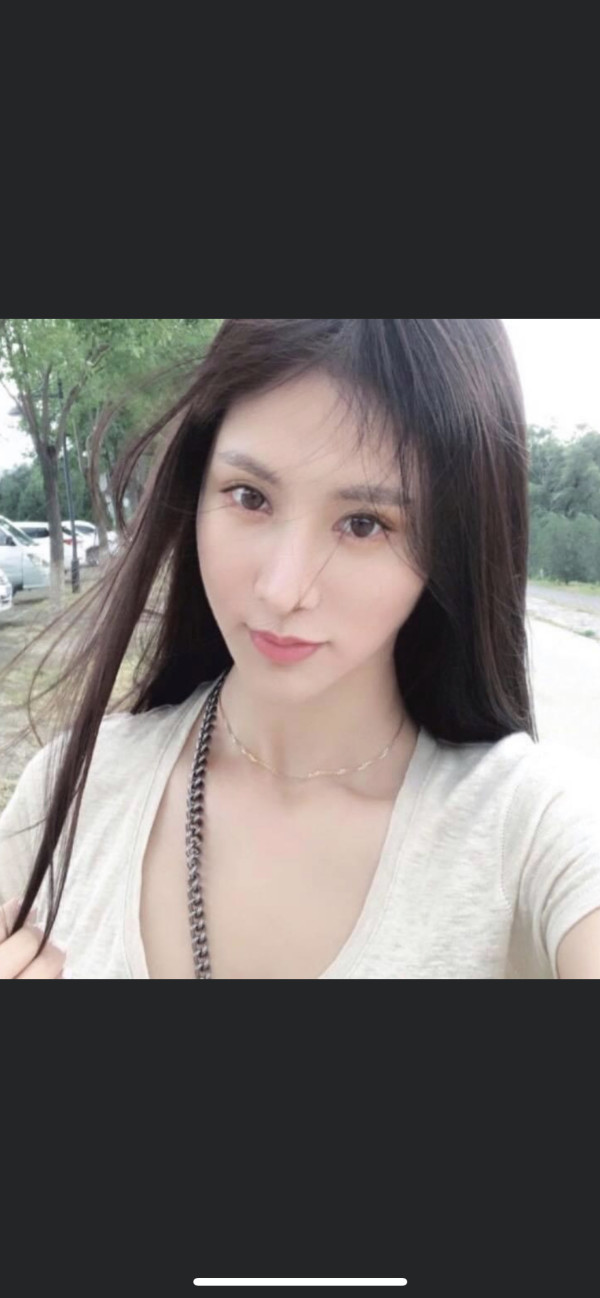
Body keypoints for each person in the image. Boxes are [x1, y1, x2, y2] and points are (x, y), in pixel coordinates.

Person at [1, 318, 599, 979]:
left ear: (452, 546)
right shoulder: (72, 790)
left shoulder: (533, 833)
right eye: (249, 497)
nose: (283, 590)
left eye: (364, 524)